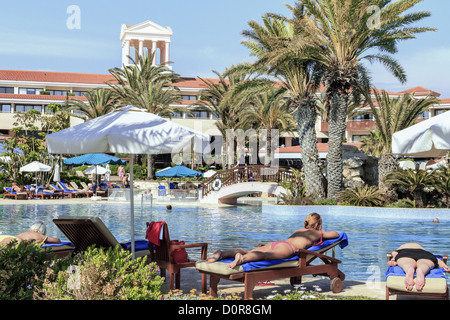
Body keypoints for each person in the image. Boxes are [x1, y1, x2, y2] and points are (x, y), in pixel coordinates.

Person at [206, 213, 339, 269]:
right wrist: (321, 230)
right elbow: (336, 234)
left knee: (253, 251)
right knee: (263, 256)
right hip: (288, 248)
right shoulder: (316, 232)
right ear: (317, 225)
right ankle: (242, 259)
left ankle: (221, 254)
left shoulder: (300, 230)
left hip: (277, 243)